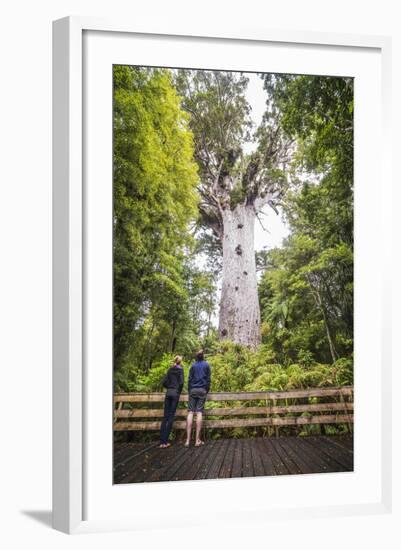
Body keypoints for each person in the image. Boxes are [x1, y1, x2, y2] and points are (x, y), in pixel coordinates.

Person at [185, 350, 211, 447]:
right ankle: (197, 440)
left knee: (191, 412)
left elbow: (189, 379)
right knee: (199, 412)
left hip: (193, 390)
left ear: (196, 357)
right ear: (203, 356)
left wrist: (190, 390)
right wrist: (206, 390)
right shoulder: (206, 365)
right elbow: (208, 379)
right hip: (202, 390)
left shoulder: (193, 365)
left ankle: (187, 441)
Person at [160, 355, 184, 448]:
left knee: (165, 416)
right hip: (175, 394)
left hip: (168, 393)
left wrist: (169, 387)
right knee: (171, 416)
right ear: (180, 362)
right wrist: (178, 391)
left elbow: (164, 382)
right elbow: (181, 382)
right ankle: (165, 442)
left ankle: (162, 442)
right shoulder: (180, 370)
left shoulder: (170, 369)